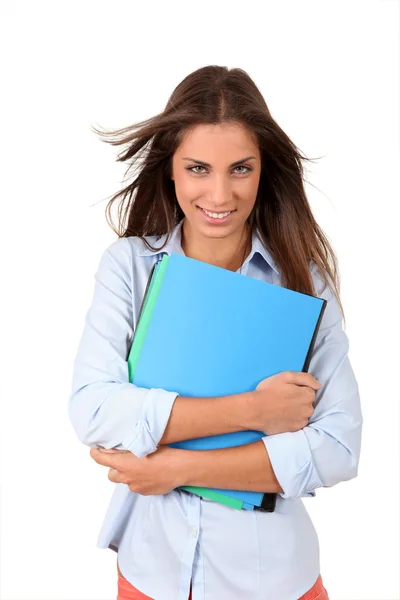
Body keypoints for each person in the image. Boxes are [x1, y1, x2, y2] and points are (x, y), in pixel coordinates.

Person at [68, 65, 363, 600]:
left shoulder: (304, 282)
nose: (220, 193)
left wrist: (178, 468)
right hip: (151, 573)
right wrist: (254, 412)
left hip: (275, 579)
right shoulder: (130, 268)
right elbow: (93, 410)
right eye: (199, 168)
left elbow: (338, 447)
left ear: (263, 172)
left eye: (241, 169)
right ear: (171, 173)